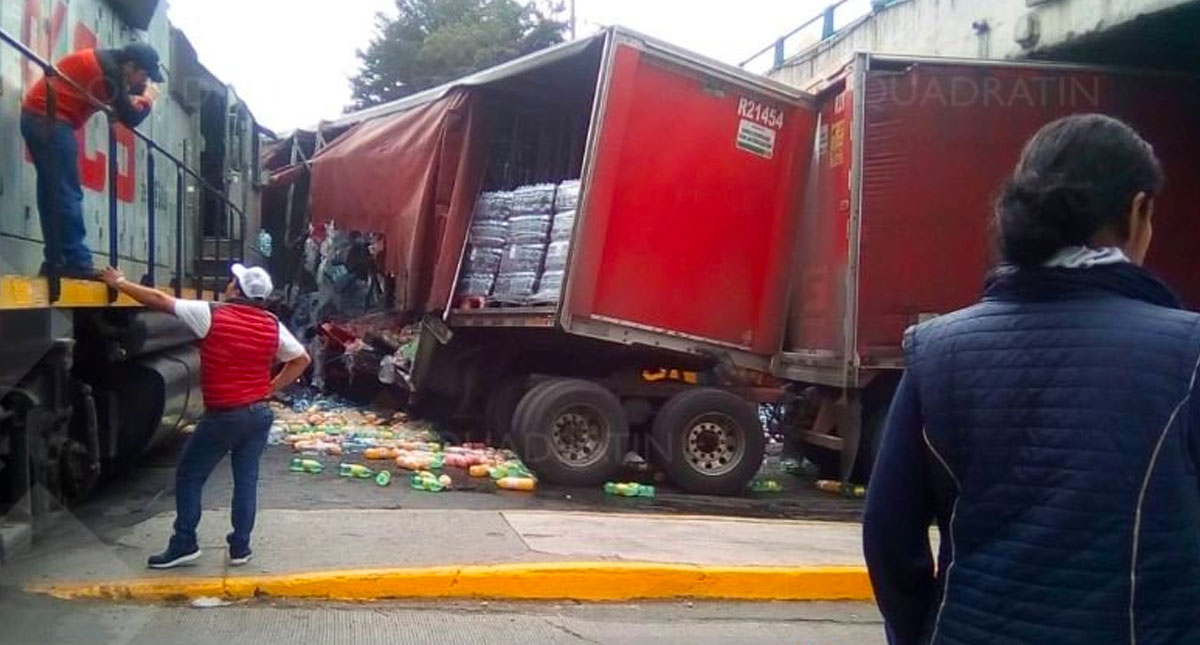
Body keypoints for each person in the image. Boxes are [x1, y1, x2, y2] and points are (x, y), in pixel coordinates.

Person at [863, 114, 1200, 645]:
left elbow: (889, 534)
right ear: (1138, 211)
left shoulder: (939, 350)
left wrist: (920, 634)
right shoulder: (1189, 354)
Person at [100, 263, 311, 569]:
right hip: (258, 415)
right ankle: (240, 548)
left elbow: (158, 301)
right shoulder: (272, 324)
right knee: (246, 481)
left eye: (231, 282)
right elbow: (301, 359)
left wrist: (120, 282)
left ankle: (185, 543)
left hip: (226, 415)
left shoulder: (211, 314)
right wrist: (270, 386)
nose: (227, 285)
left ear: (237, 291)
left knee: (189, 475)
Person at [22, 43, 163, 278]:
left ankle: (56, 260)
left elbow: (121, 104)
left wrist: (132, 99)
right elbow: (130, 117)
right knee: (67, 193)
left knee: (52, 194)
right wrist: (147, 100)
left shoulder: (106, 65)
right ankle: (76, 262)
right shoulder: (109, 72)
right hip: (51, 122)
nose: (143, 82)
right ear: (129, 66)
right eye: (144, 75)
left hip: (41, 119)